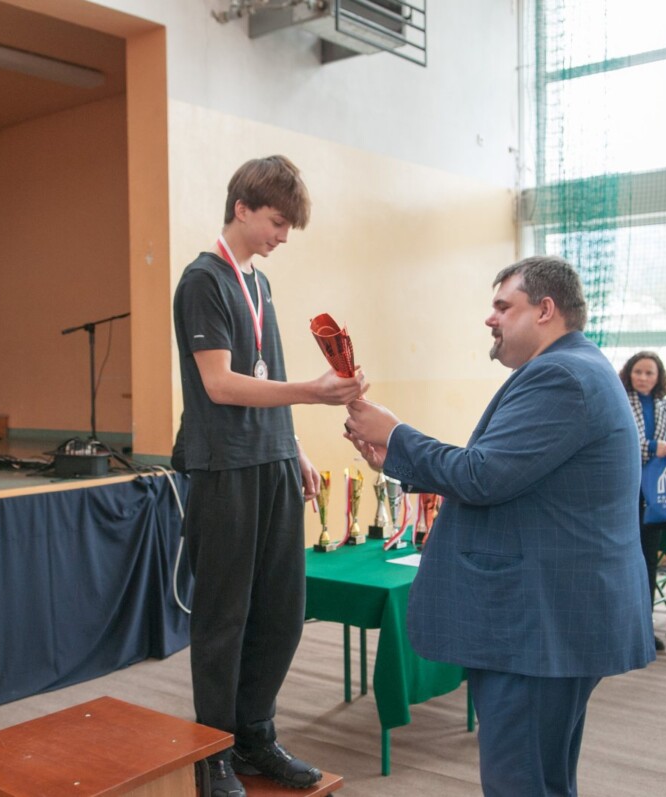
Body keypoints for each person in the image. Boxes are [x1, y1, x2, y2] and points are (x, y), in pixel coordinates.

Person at [344, 255, 654, 797]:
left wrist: (397, 434)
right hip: (551, 614)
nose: (490, 318)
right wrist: (396, 458)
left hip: (539, 621)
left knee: (521, 781)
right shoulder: (574, 368)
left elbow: (482, 475)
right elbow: (510, 477)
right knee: (545, 777)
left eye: (503, 306)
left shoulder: (561, 376)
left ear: (546, 310)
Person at [173, 155, 367, 796]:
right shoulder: (203, 281)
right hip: (224, 469)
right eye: (277, 222)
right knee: (224, 619)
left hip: (274, 461)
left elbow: (265, 374)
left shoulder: (260, 284)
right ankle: (214, 752)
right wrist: (314, 392)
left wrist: (294, 445)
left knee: (283, 613)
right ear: (242, 208)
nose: (283, 236)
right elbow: (221, 384)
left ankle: (255, 736)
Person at [619, 351, 666, 652]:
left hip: (653, 491)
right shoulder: (620, 399)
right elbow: (620, 442)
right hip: (625, 489)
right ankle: (620, 628)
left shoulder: (665, 406)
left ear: (658, 377)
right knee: (624, 560)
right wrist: (653, 446)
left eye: (649, 373)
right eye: (638, 371)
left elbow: (663, 446)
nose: (643, 377)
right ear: (629, 373)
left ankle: (644, 629)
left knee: (649, 560)